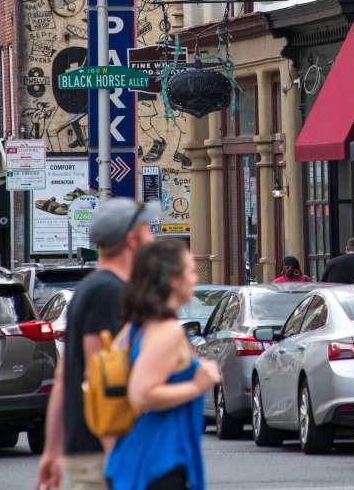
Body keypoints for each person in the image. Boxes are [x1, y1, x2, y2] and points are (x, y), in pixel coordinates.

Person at [36, 198, 157, 490]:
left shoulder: (90, 289)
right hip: (107, 451)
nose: (153, 238)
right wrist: (119, 457)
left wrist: (52, 450)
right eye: (148, 230)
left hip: (91, 447)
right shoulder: (109, 292)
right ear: (132, 240)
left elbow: (65, 377)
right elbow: (101, 377)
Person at [105, 239, 220, 490]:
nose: (194, 279)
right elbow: (141, 394)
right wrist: (197, 384)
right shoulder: (166, 331)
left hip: (134, 458)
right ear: (172, 279)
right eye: (190, 271)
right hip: (160, 464)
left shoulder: (136, 327)